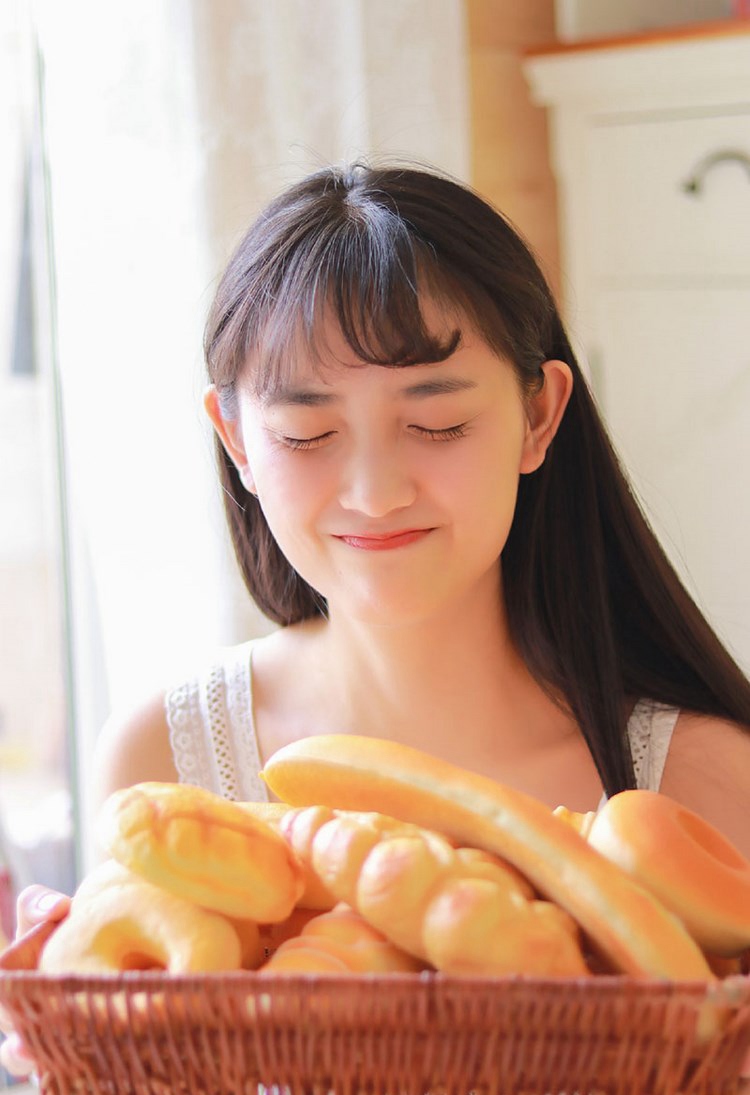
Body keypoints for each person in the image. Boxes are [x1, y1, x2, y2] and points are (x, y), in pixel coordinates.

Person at [2, 161, 750, 1079]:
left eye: (435, 423)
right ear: (236, 439)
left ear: (538, 415)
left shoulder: (701, 787)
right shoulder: (164, 763)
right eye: (307, 434)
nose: (373, 492)